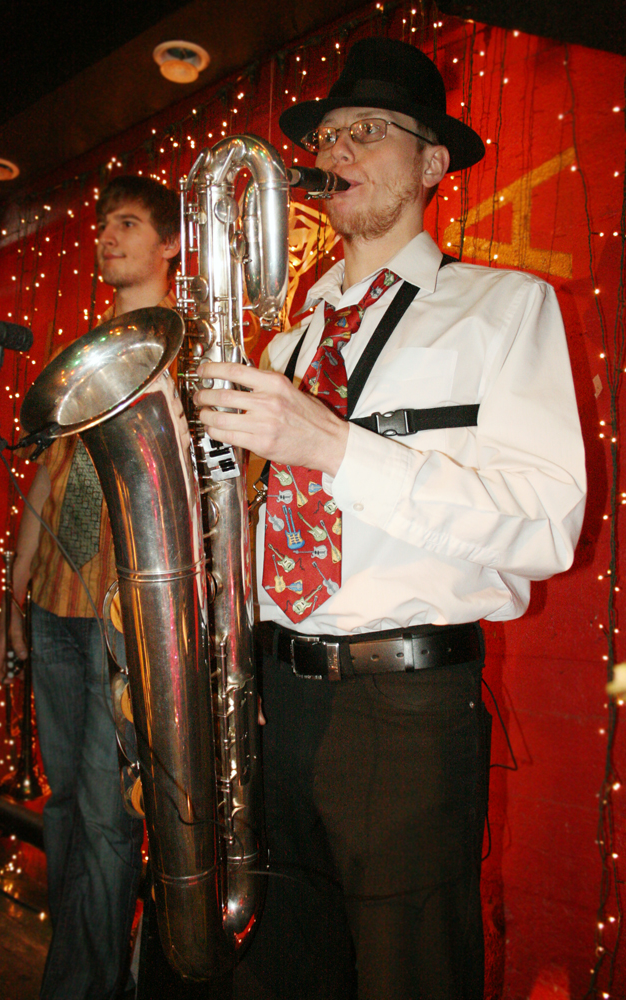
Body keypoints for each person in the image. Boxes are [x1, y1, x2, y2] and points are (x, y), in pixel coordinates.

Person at [195, 38, 586, 1000]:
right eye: (327, 135)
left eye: (368, 131)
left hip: (405, 711)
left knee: (411, 977)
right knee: (278, 975)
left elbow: (546, 525)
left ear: (432, 163)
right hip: (270, 696)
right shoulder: (286, 342)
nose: (336, 149)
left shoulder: (505, 306)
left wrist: (334, 447)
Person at [0, 175, 180, 1000]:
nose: (106, 236)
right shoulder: (81, 352)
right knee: (67, 805)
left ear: (169, 245)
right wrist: (15, 599)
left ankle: (81, 987)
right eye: (103, 224)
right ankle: (79, 971)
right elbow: (45, 481)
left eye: (127, 224)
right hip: (55, 609)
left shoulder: (188, 350)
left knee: (109, 817)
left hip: (126, 620)